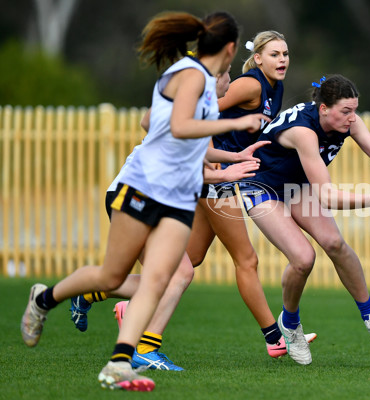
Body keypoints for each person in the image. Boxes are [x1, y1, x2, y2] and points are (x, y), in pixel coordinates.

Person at [20, 11, 270, 391]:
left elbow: (195, 147)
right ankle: (44, 297)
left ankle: (120, 363)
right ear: (231, 48)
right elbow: (178, 127)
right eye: (233, 67)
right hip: (141, 188)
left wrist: (232, 161)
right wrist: (236, 124)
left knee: (166, 277)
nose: (233, 77)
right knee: (112, 276)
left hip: (176, 197)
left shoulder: (203, 85)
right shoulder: (191, 75)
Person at [68, 31, 315, 370]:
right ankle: (275, 337)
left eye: (286, 53)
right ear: (257, 58)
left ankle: (97, 293)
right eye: (275, 54)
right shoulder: (250, 85)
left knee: (188, 261)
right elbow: (197, 119)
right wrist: (209, 157)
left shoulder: (273, 87)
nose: (283, 59)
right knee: (245, 260)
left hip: (213, 176)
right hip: (203, 181)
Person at [239, 74, 370, 365]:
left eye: (355, 110)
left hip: (295, 184)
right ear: (324, 108)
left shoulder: (349, 121)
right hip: (261, 186)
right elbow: (327, 196)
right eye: (346, 111)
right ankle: (291, 325)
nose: (352, 118)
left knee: (334, 242)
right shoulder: (304, 132)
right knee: (303, 257)